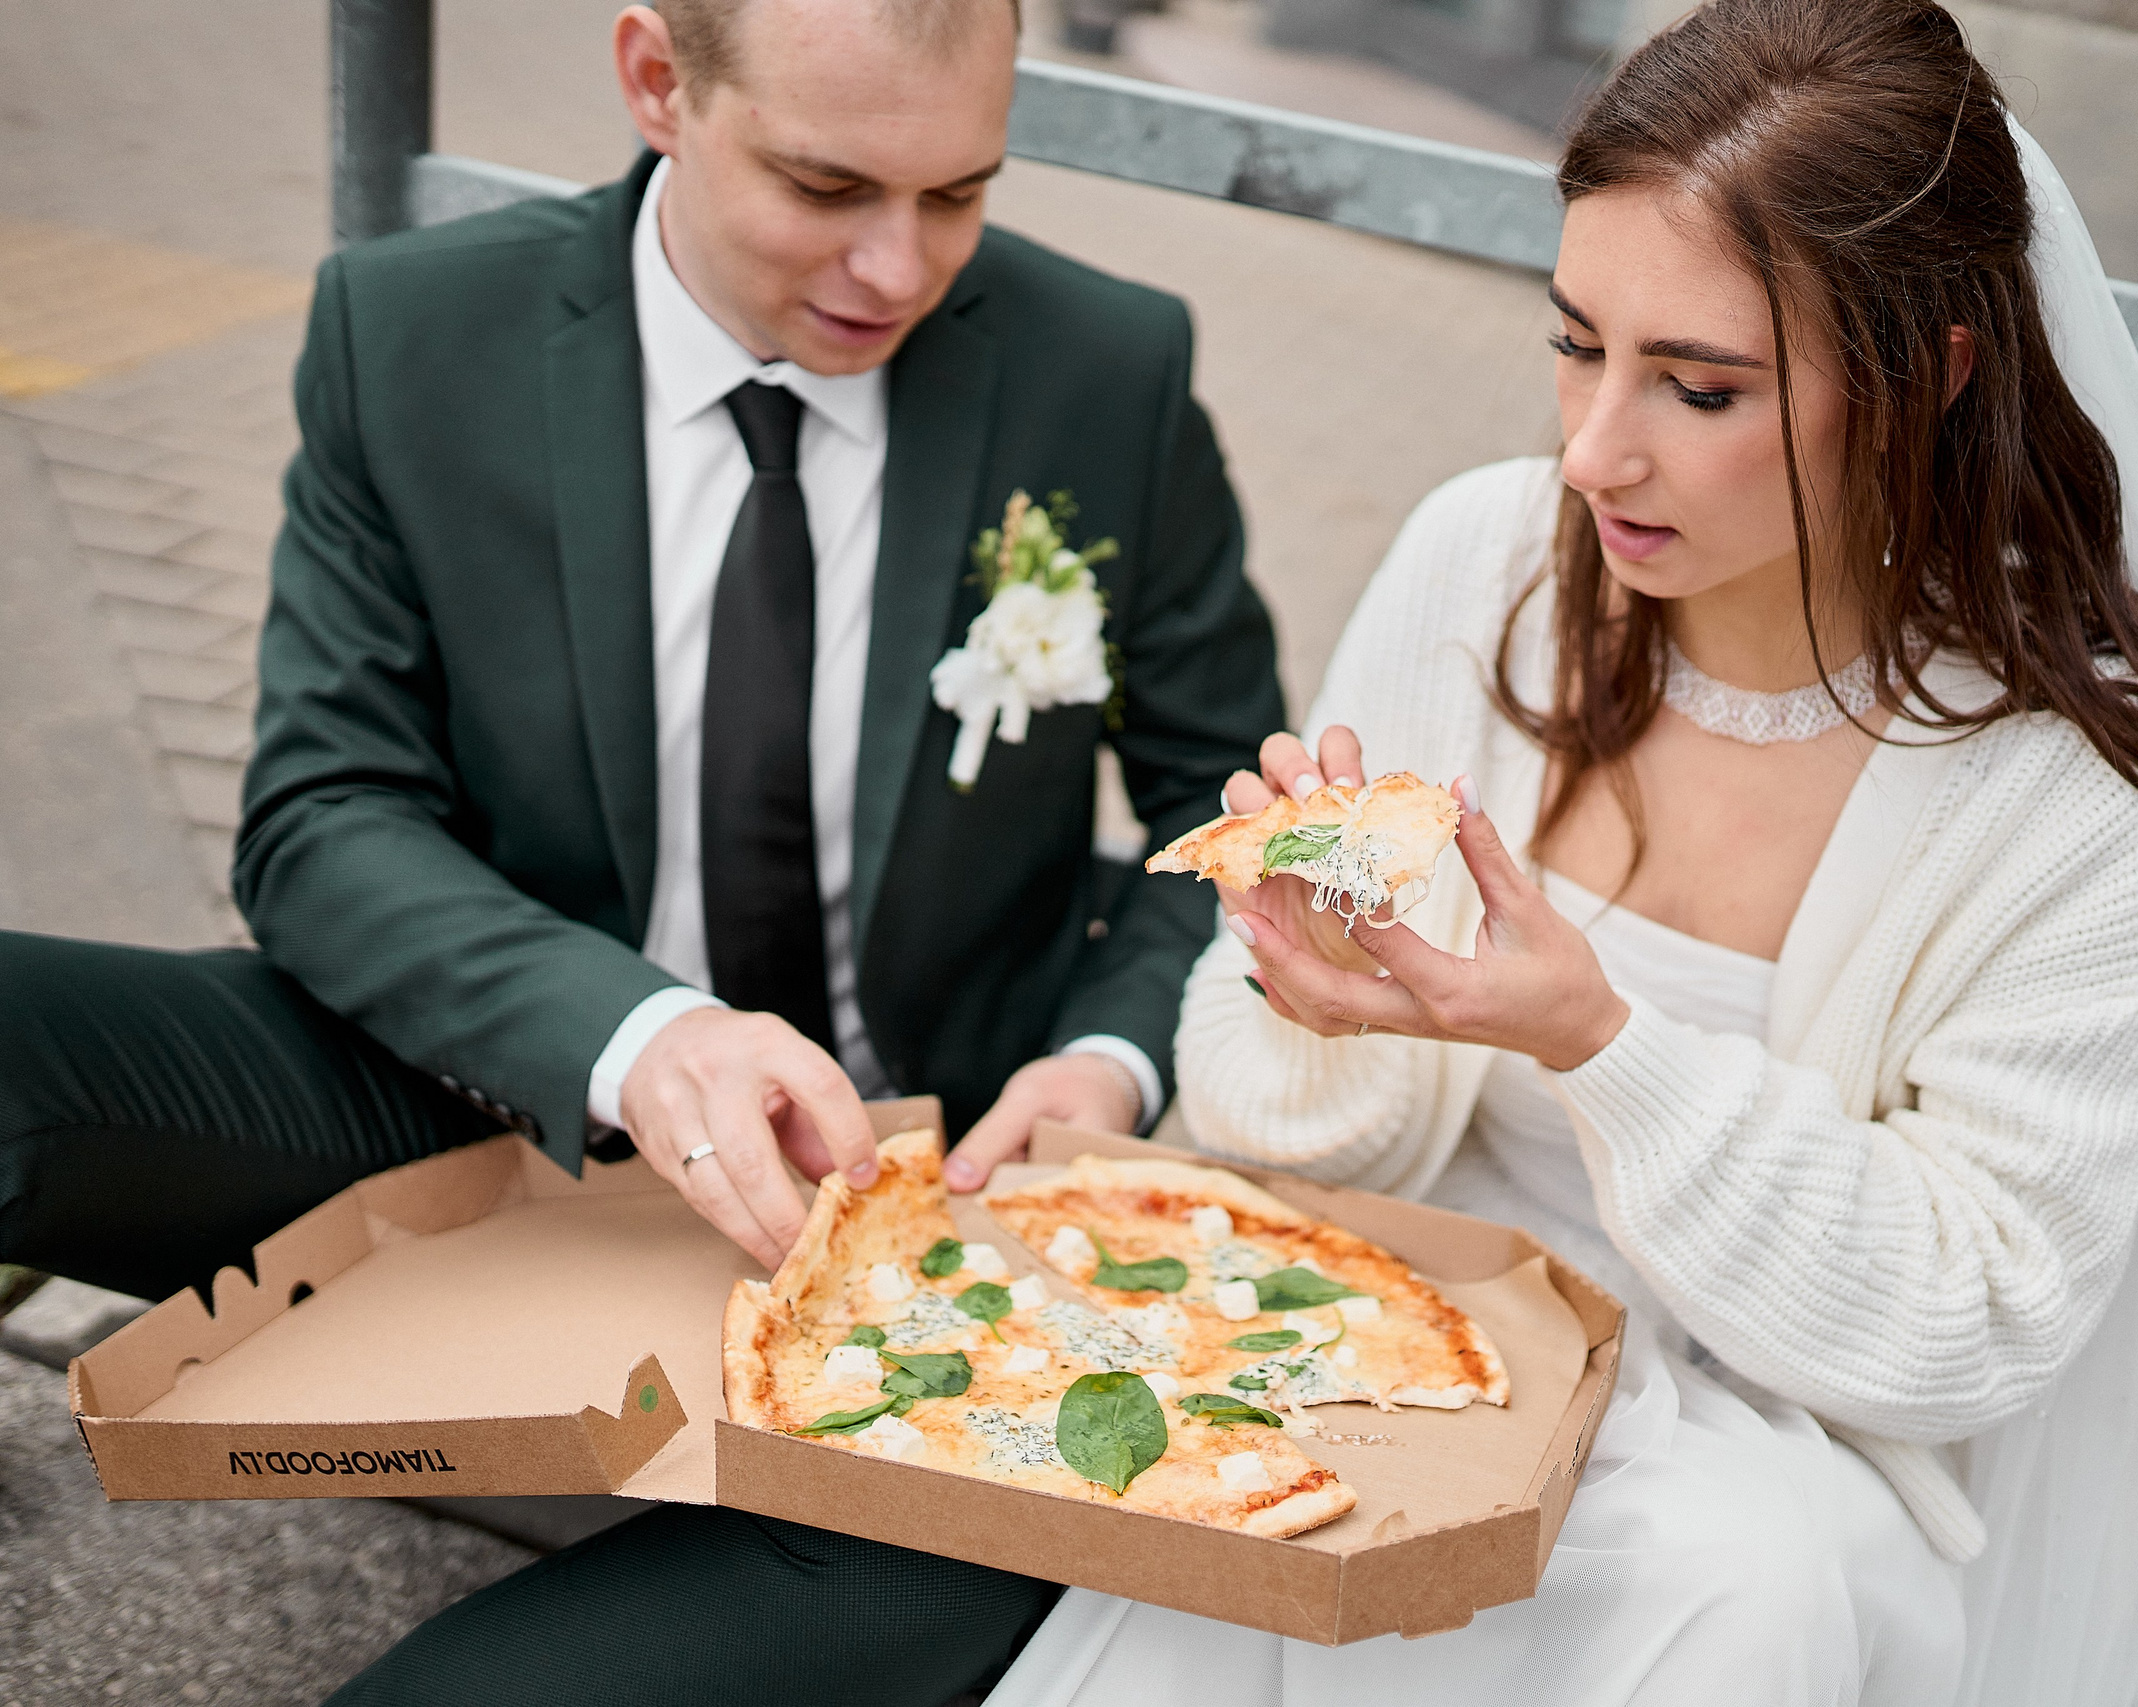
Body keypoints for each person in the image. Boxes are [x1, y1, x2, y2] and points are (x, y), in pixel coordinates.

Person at [972, 4, 2138, 1705]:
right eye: (1575, 342)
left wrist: (1599, 1045)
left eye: (1699, 386)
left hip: (1767, 1457)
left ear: (1928, 378)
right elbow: (1256, 1115)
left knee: (1747, 1590)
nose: (1598, 449)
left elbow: (1974, 1319)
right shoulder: (1480, 560)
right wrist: (1327, 1009)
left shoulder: (2073, 805)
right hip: (1372, 1336)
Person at [0, 0, 1282, 1699]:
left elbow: (1228, 816)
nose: (900, 269)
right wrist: (637, 1039)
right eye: (827, 187)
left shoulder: (1103, 368)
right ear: (657, 82)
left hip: (937, 1208)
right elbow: (322, 817)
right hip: (486, 1112)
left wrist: (1111, 1063)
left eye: (959, 193)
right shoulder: (412, 332)